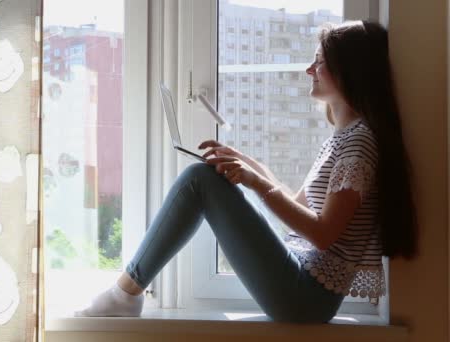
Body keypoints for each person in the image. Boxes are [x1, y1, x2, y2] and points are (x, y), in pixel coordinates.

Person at [74, 20, 418, 323]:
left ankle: (125, 293)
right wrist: (244, 162)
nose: (309, 70)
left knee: (199, 181)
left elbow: (323, 233)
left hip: (306, 299)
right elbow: (297, 205)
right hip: (305, 292)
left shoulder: (358, 143)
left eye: (320, 62)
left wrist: (253, 181)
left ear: (349, 72)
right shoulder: (345, 138)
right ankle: (127, 292)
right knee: (205, 180)